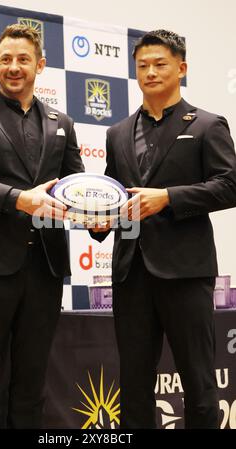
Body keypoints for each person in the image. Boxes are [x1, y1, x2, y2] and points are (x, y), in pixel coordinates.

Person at [91, 29, 236, 428]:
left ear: (181, 68)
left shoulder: (208, 124)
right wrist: (101, 220)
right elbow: (116, 195)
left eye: (160, 64)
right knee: (134, 385)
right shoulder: (117, 132)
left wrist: (169, 197)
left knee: (200, 382)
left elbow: (229, 185)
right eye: (143, 65)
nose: (150, 72)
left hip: (186, 273)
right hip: (130, 273)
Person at [0, 24, 84, 429]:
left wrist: (101, 215)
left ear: (40, 65)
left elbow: (76, 186)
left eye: (23, 59)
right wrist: (20, 199)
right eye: (5, 59)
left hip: (45, 269)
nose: (13, 66)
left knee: (31, 385)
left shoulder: (64, 122)